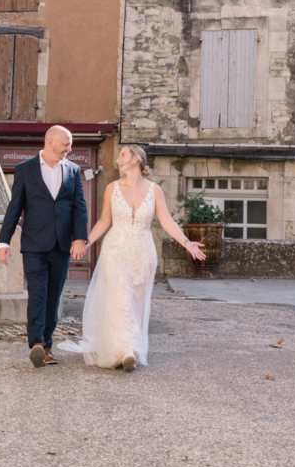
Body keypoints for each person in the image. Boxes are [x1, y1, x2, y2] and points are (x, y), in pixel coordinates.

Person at [62, 145, 204, 372]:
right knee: (120, 298)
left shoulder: (155, 190)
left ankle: (130, 348)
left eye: (123, 155)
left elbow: (167, 221)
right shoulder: (112, 188)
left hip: (143, 253)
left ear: (137, 159)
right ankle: (126, 350)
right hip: (115, 250)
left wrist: (187, 243)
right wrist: (86, 242)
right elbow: (104, 222)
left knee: (136, 302)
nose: (118, 160)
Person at [0, 126, 89, 368]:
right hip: (34, 245)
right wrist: (4, 241)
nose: (70, 149)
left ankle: (47, 345)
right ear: (50, 142)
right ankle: (37, 343)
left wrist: (81, 238)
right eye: (66, 144)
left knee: (53, 297)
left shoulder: (73, 170)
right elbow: (14, 208)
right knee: (37, 293)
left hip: (62, 246)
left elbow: (79, 208)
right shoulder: (25, 169)